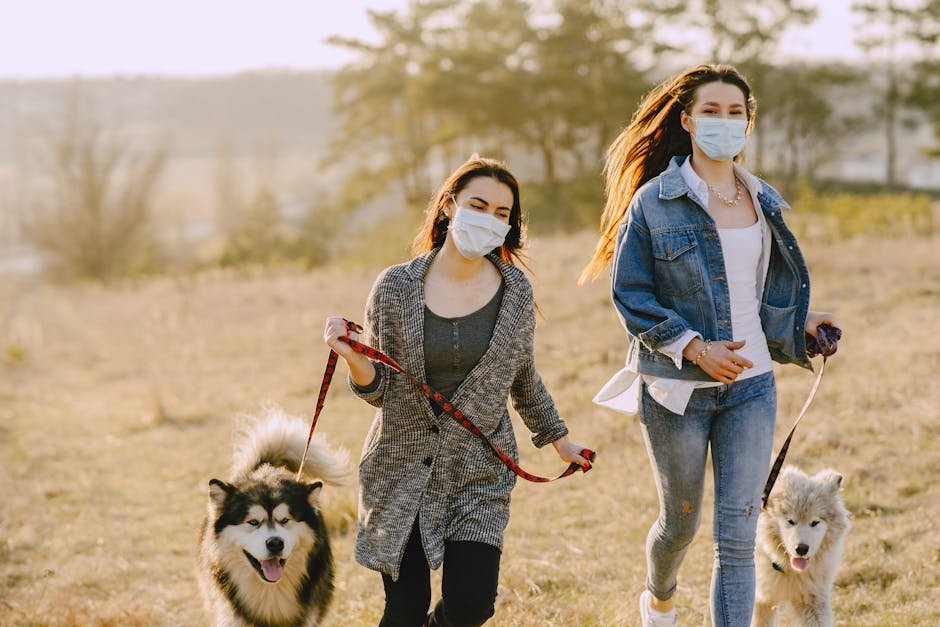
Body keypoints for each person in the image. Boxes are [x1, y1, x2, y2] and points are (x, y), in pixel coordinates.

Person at [581, 64, 838, 627]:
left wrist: (802, 325)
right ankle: (660, 599)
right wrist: (696, 348)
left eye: (735, 113)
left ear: (749, 122)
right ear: (687, 120)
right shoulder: (654, 202)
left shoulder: (763, 200)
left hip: (751, 390)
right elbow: (631, 295)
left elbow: (754, 293)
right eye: (711, 111)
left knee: (737, 532)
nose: (724, 122)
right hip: (677, 391)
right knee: (680, 523)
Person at [324, 155, 592, 627]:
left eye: (502, 213)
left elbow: (523, 377)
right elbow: (378, 391)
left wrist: (559, 440)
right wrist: (352, 357)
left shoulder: (516, 293)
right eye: (478, 205)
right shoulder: (394, 286)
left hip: (478, 473)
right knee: (404, 609)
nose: (489, 219)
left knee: (472, 605)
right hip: (400, 468)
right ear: (449, 206)